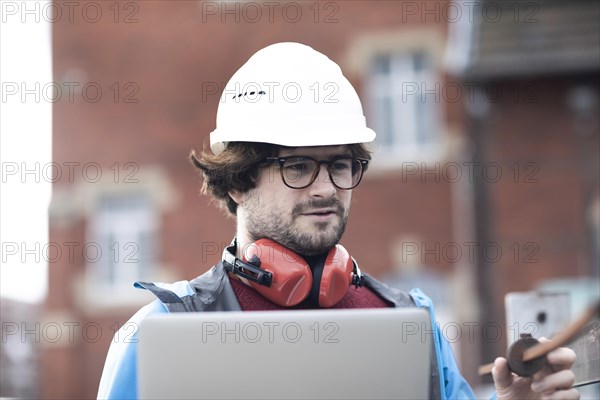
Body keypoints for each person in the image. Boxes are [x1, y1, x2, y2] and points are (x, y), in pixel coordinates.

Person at [97, 42, 579, 400]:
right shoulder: (157, 333)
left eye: (341, 165)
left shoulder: (410, 323)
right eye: (299, 166)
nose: (327, 188)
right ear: (238, 181)